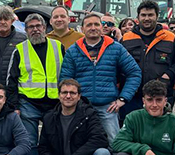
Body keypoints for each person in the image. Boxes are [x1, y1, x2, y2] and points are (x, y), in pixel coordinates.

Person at [59, 13, 141, 142]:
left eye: (97, 24)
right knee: (77, 143)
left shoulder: (115, 48)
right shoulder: (73, 51)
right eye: (89, 25)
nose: (93, 27)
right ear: (82, 29)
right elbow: (65, 79)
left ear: (102, 28)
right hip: (80, 107)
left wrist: (123, 98)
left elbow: (134, 72)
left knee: (115, 143)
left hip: (107, 107)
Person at [6, 13, 64, 154]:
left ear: (44, 28)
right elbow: (11, 80)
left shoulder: (58, 47)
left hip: (54, 103)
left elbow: (66, 74)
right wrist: (14, 106)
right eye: (31, 27)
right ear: (25, 30)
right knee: (29, 142)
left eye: (38, 26)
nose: (35, 29)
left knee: (53, 140)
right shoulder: (19, 50)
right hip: (28, 103)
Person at [120, 0, 175, 118]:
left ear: (157, 16)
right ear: (138, 17)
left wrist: (168, 75)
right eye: (143, 15)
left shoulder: (170, 38)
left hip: (160, 95)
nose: (147, 18)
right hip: (133, 96)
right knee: (133, 131)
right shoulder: (126, 38)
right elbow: (117, 64)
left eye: (150, 15)